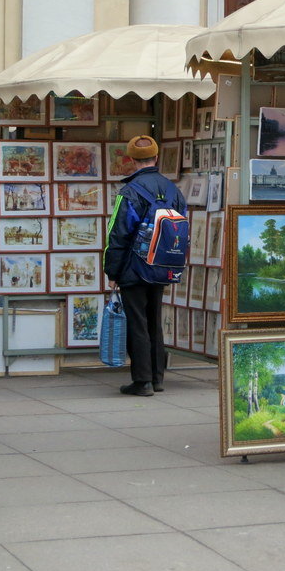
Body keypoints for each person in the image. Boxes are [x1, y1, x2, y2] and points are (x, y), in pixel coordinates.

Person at [103, 135, 186, 396]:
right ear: (156, 157)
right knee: (154, 320)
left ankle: (142, 381)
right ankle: (158, 377)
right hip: (163, 264)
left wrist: (112, 271)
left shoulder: (130, 191)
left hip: (134, 267)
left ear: (130, 158)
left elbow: (118, 233)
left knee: (137, 322)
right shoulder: (174, 190)